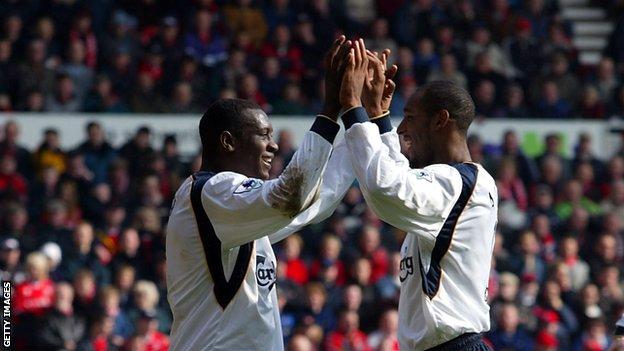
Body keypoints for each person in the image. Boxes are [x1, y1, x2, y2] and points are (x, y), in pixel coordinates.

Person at [166, 36, 356, 351]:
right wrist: (330, 108)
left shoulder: (240, 214)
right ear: (228, 142)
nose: (274, 144)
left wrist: (360, 120)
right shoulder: (212, 192)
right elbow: (291, 196)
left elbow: (313, 201)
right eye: (263, 135)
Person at [339, 39, 498, 350]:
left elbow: (385, 189)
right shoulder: (449, 185)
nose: (401, 129)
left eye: (410, 118)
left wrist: (352, 107)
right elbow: (396, 177)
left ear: (440, 120)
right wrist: (377, 116)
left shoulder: (459, 182)